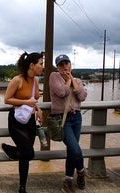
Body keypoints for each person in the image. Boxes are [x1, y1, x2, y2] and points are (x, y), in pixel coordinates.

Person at [1, 52, 44, 193]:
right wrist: (26, 102)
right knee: (29, 153)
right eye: (41, 64)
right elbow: (7, 99)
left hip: (30, 120)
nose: (42, 67)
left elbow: (33, 99)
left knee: (25, 157)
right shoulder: (17, 80)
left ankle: (22, 187)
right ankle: (9, 149)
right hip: (16, 121)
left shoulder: (36, 80)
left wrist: (38, 108)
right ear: (32, 65)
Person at [49, 54, 87, 193]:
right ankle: (82, 171)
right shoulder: (54, 77)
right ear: (57, 67)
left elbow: (82, 96)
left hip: (76, 118)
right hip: (62, 119)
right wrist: (68, 82)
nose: (65, 66)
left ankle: (68, 180)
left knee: (72, 150)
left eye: (67, 63)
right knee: (75, 149)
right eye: (61, 64)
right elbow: (61, 92)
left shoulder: (77, 80)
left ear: (70, 64)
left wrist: (72, 80)